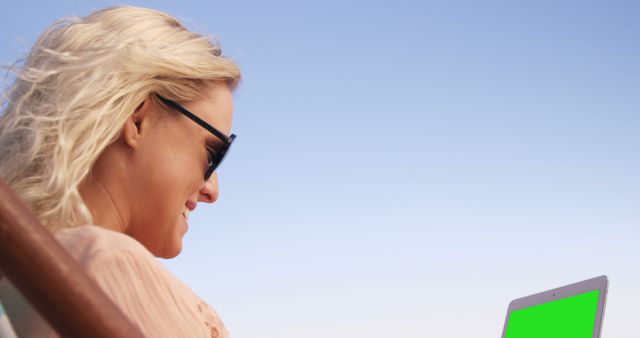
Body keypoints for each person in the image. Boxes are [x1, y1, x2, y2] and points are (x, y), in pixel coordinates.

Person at [0, 6, 240, 337]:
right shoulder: (106, 262)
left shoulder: (16, 285)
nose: (212, 189)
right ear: (137, 120)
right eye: (213, 152)